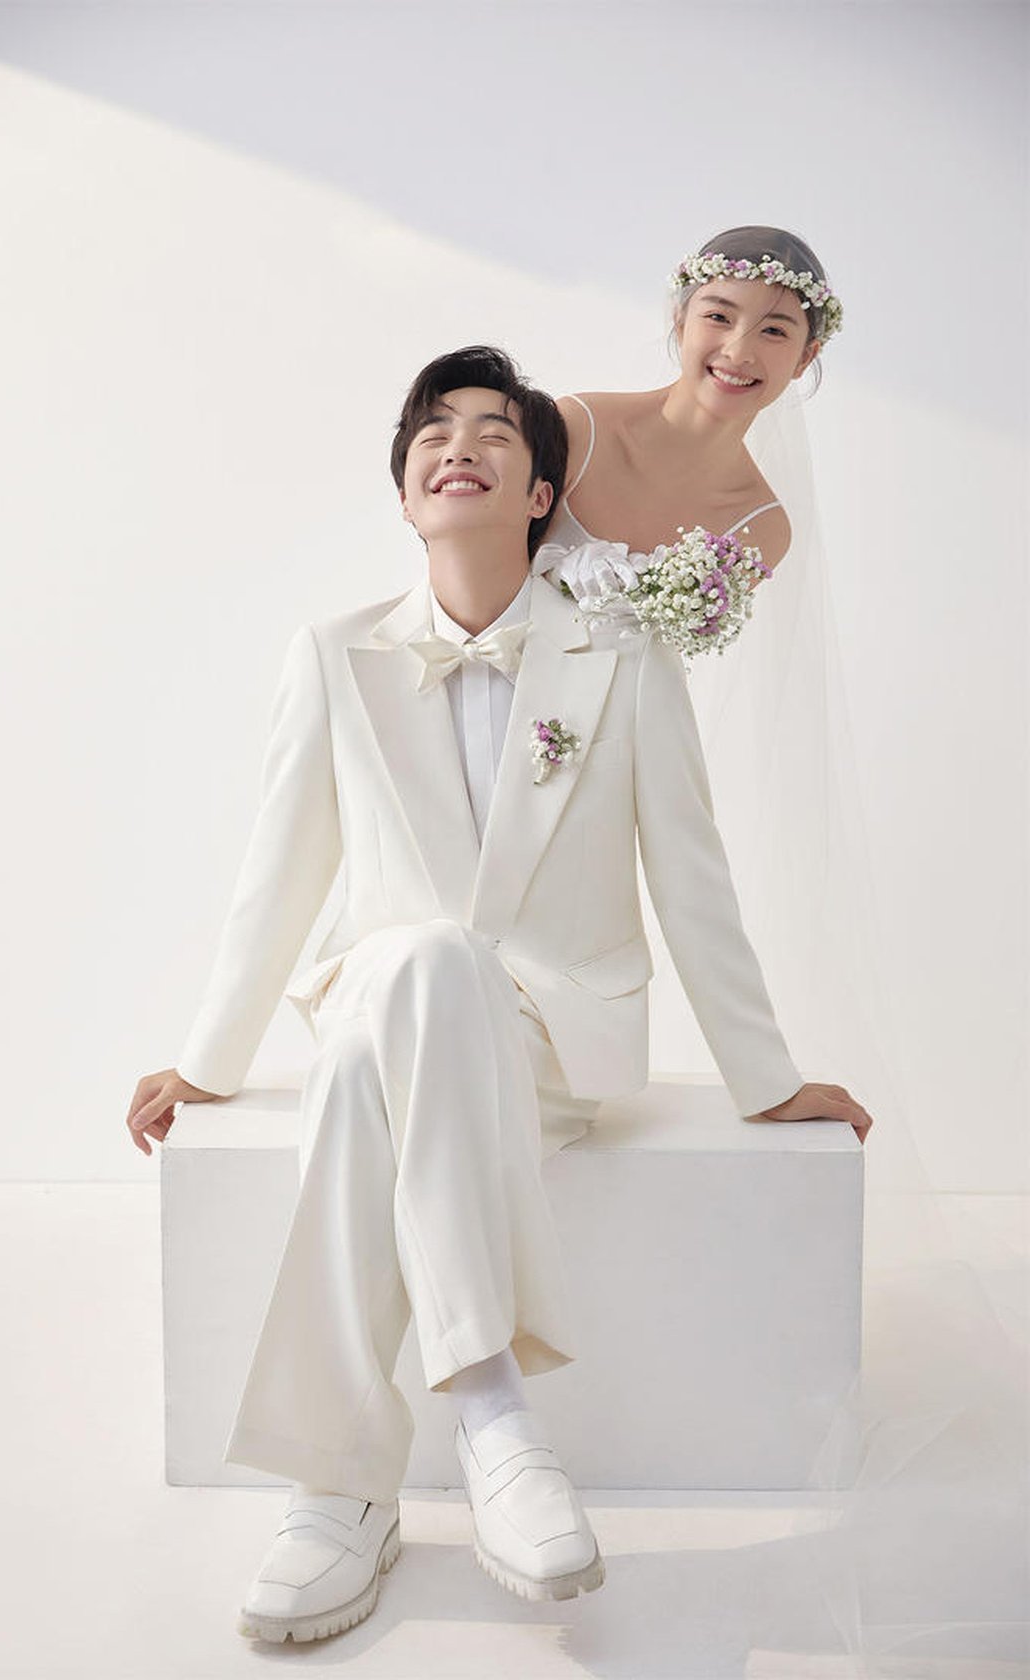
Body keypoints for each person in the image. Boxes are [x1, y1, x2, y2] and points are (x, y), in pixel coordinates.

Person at [125, 345, 872, 1646]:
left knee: (388, 1032)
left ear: (539, 494)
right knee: (416, 969)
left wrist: (768, 1076)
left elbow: (690, 874)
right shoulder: (334, 653)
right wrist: (207, 1061)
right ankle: (492, 1418)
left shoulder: (623, 655)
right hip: (390, 1007)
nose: (456, 445)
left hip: (548, 1043)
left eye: (492, 432)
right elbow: (279, 869)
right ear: (405, 494)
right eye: (432, 434)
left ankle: (341, 1491)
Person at [539, 224, 836, 579]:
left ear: (805, 358)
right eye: (718, 317)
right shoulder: (577, 428)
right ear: (680, 323)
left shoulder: (760, 531)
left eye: (774, 331)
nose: (738, 352)